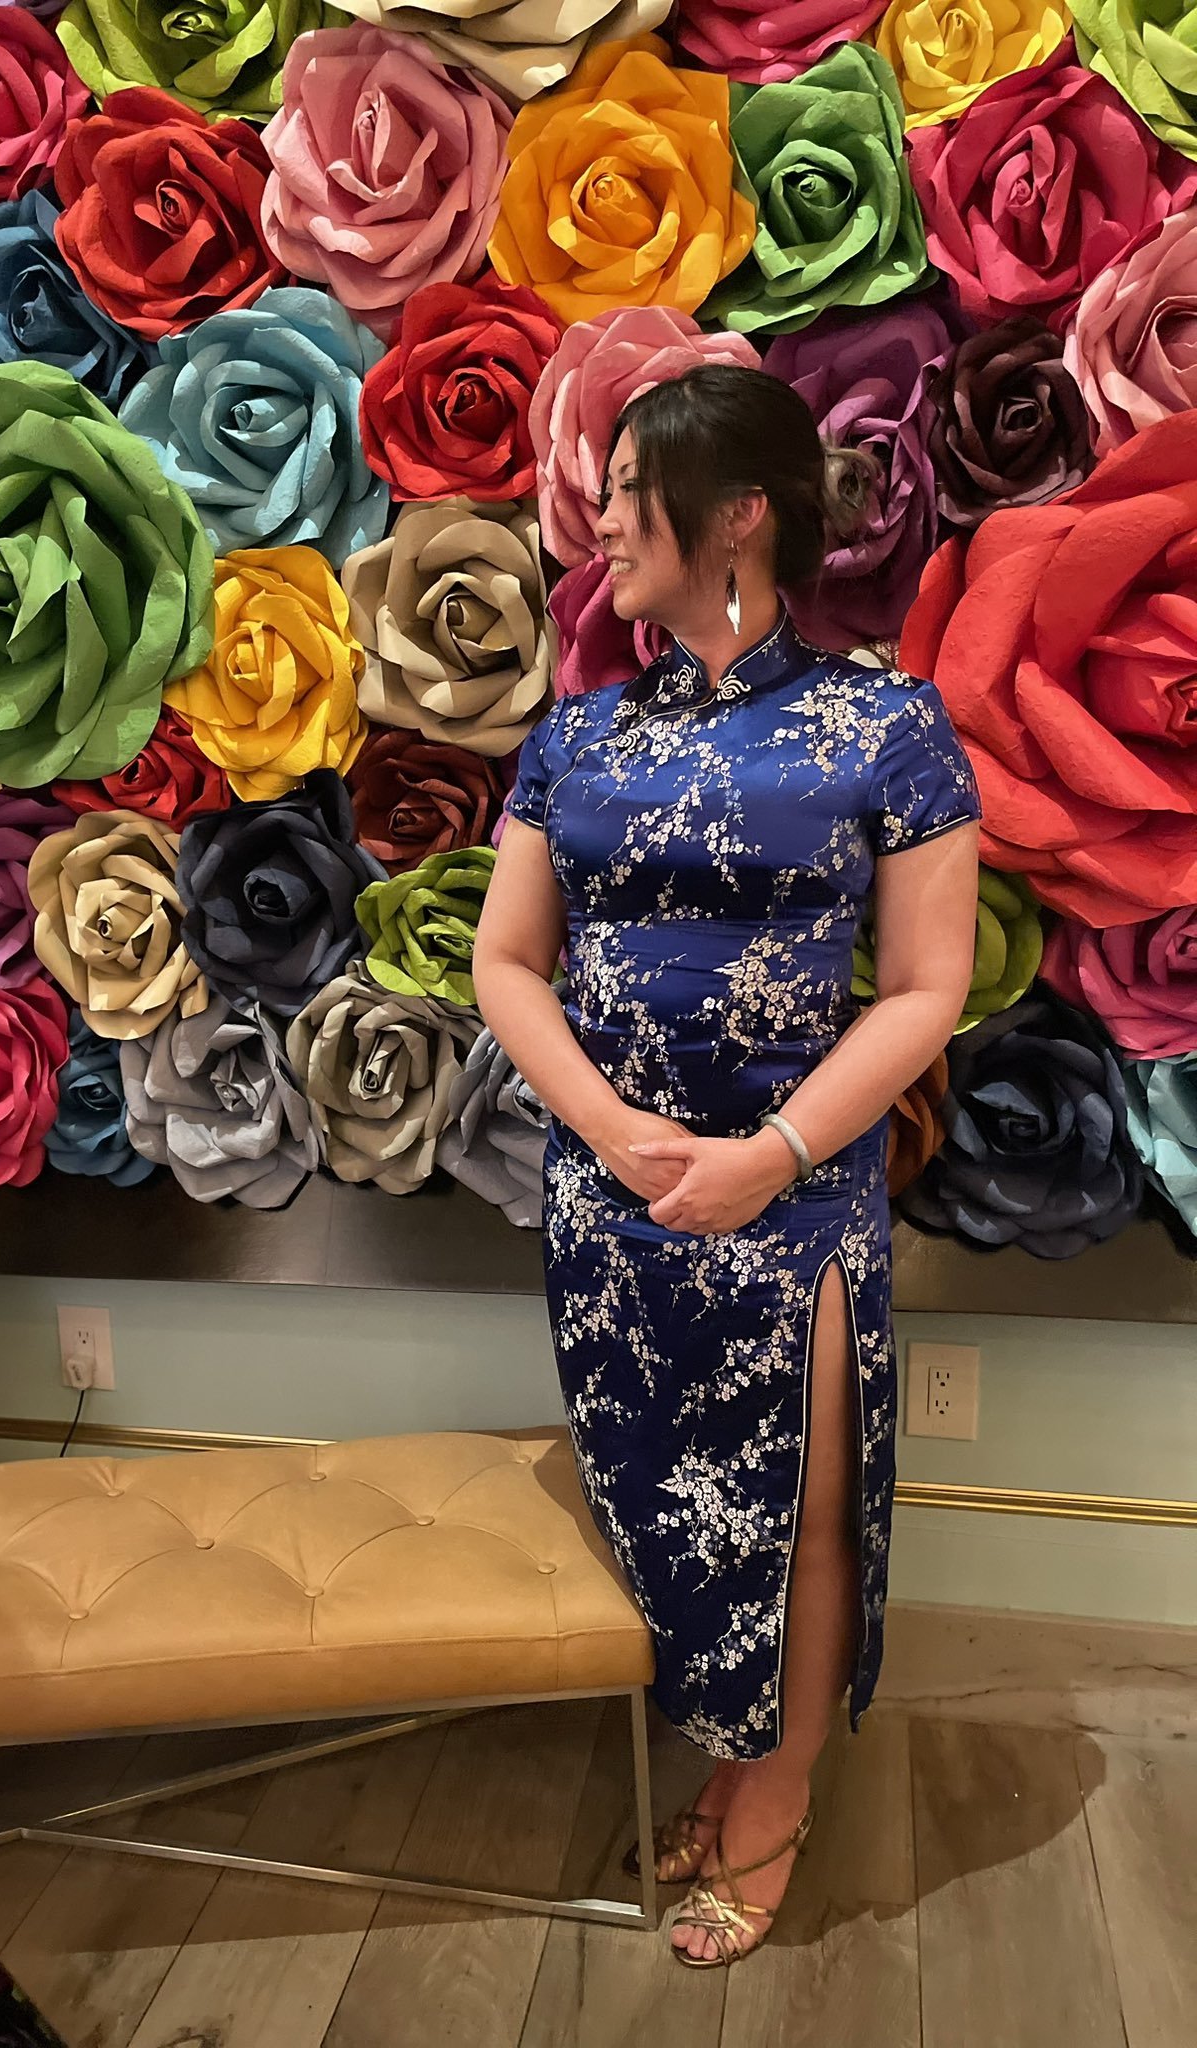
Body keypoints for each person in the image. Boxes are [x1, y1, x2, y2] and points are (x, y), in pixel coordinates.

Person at [472, 365, 982, 1969]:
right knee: (660, 1505)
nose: (606, 517)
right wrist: (610, 1131)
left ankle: (777, 1799)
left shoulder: (887, 726)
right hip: (611, 1203)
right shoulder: (576, 735)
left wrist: (772, 1154)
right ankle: (732, 1753)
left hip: (796, 1195)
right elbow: (505, 963)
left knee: (801, 1512)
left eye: (636, 488)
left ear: (741, 512)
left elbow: (928, 989)